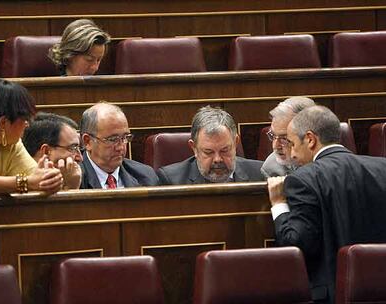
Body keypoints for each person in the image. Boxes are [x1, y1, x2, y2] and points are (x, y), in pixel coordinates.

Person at [267, 106, 386, 304]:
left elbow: (296, 244)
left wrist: (278, 203)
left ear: (310, 139)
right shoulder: (382, 168)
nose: (293, 154)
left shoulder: (303, 179)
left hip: (332, 295)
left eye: (293, 144)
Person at [0, 79, 63, 194]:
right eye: (24, 119)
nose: (27, 124)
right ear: (3, 122)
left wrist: (49, 178)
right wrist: (25, 182)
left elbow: (34, 176)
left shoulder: (12, 144)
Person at [157, 106, 264, 185]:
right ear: (194, 148)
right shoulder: (172, 180)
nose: (217, 159)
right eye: (208, 152)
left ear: (236, 142)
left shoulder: (261, 174)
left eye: (224, 150)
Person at [79, 102, 159, 189]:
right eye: (112, 139)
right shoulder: (74, 180)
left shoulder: (146, 176)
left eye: (125, 137)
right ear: (88, 141)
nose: (120, 147)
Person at [22, 112, 82, 190]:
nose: (80, 158)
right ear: (46, 151)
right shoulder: (20, 186)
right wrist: (71, 188)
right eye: (73, 148)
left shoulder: (75, 177)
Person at [261, 96, 315, 178]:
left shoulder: (332, 161)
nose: (275, 146)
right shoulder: (272, 168)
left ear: (310, 139)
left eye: (284, 139)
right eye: (273, 135)